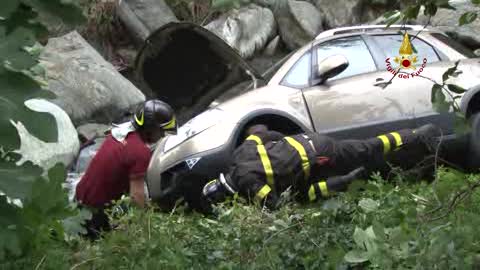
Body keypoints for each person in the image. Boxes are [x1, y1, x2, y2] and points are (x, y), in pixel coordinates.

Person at [201, 123, 440, 210]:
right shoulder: (240, 152)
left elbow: (279, 205)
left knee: (368, 148)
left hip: (321, 156)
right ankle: (414, 164)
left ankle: (417, 135)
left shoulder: (250, 185)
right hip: (311, 143)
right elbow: (260, 130)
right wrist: (287, 144)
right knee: (364, 152)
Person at [75, 99, 177, 238]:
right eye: (162, 131)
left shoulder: (120, 131)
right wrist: (145, 224)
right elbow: (136, 196)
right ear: (151, 129)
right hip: (95, 212)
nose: (162, 136)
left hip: (81, 196)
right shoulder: (140, 152)